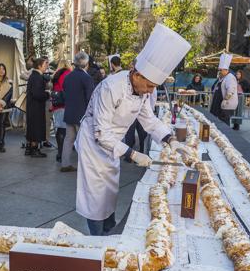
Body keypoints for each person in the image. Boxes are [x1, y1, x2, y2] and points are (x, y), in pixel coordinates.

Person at [76, 24, 191, 236]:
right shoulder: (111, 87)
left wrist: (171, 140)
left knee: (109, 193)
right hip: (93, 144)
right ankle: (97, 238)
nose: (151, 91)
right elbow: (100, 133)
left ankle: (108, 229)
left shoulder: (143, 92)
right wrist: (132, 154)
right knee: (95, 196)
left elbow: (150, 120)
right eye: (149, 85)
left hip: (115, 143)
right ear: (136, 74)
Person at [60, 52, 95, 172]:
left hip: (69, 112)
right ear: (86, 64)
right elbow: (90, 99)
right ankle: (85, 167)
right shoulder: (86, 78)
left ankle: (65, 164)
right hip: (82, 115)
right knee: (83, 142)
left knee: (68, 139)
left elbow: (64, 92)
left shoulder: (68, 76)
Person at [25, 57, 50, 157]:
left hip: (33, 107)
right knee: (36, 128)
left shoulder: (34, 76)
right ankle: (34, 150)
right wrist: (47, 94)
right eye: (45, 64)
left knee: (33, 127)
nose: (47, 66)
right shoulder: (37, 77)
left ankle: (31, 149)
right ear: (39, 66)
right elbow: (37, 94)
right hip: (36, 108)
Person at [51, 60, 72, 162]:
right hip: (64, 105)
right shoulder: (67, 74)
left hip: (56, 105)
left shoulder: (56, 75)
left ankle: (59, 153)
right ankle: (61, 154)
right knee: (64, 130)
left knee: (60, 129)